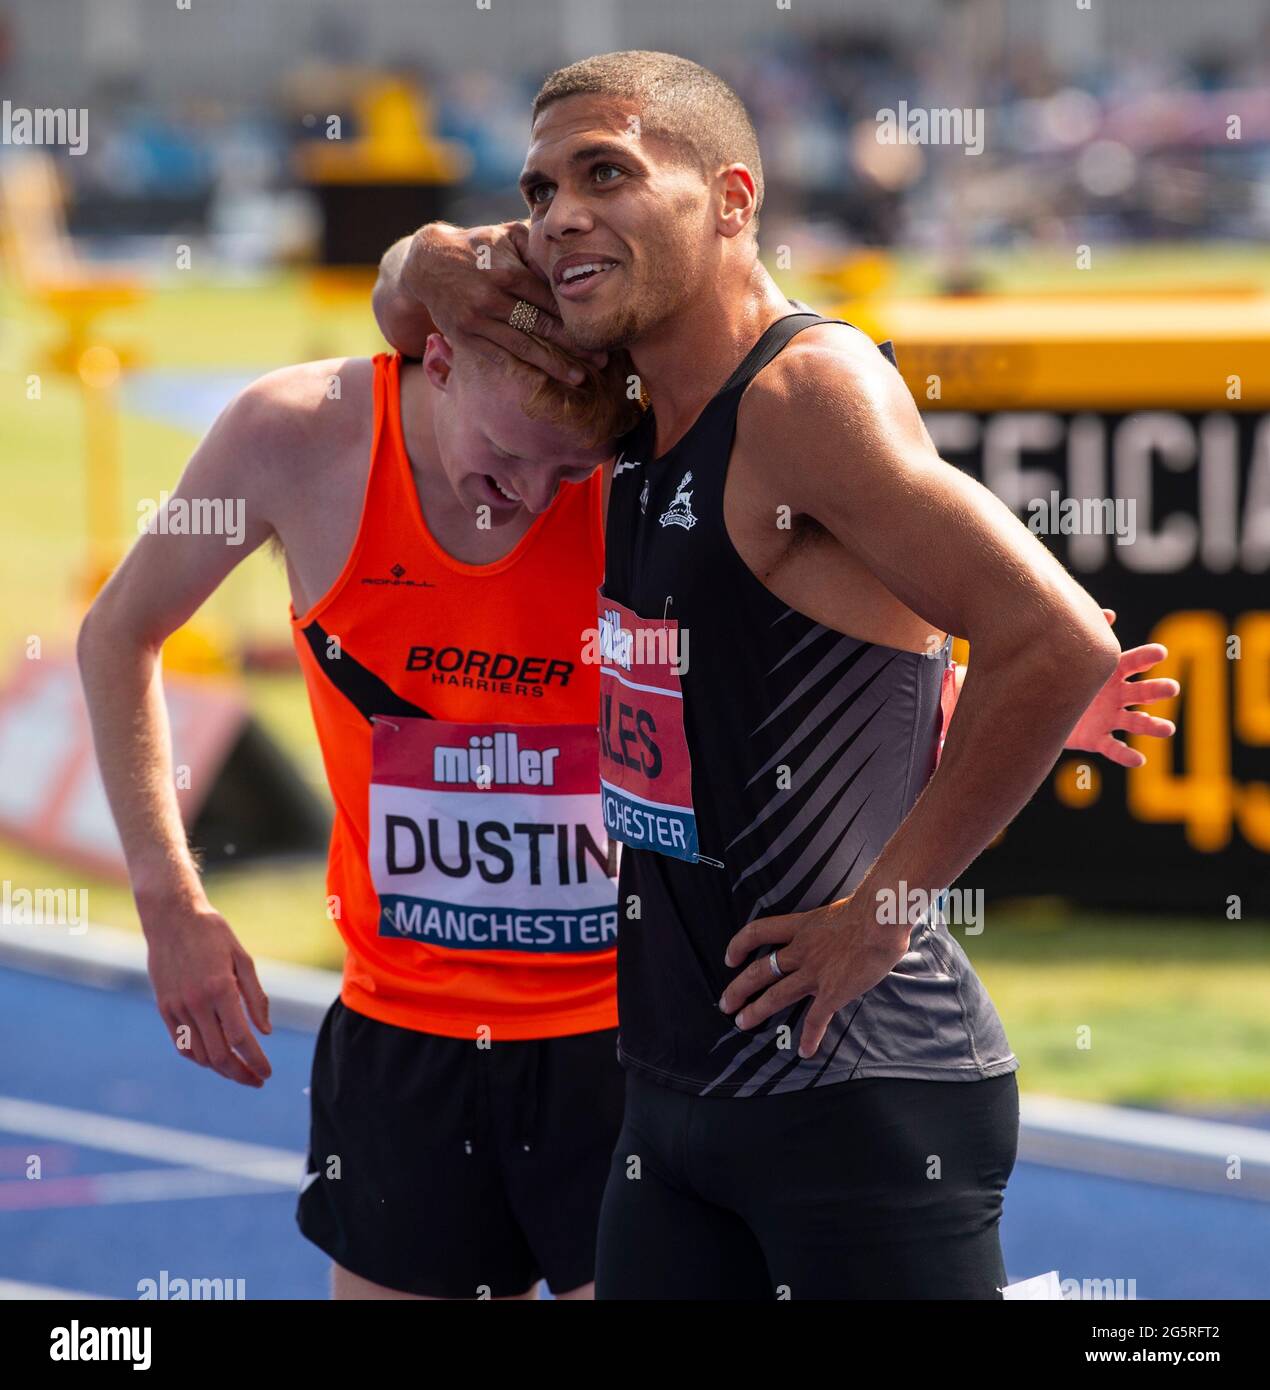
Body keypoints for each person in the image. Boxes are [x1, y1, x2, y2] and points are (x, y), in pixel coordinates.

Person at [371, 50, 1178, 1300]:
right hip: (673, 1094)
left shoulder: (804, 394)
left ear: (731, 199)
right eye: (537, 191)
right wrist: (422, 258)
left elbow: (1056, 638)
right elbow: (413, 313)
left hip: (855, 1091)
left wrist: (883, 912)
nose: (559, 215)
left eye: (605, 175)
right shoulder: (627, 394)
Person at [77, 330, 639, 1300]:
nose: (530, 495)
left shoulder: (659, 440)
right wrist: (170, 899)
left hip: (629, 1037)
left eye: (570, 468)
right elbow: (119, 630)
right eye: (508, 452)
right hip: (406, 1034)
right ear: (441, 359)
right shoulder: (296, 435)